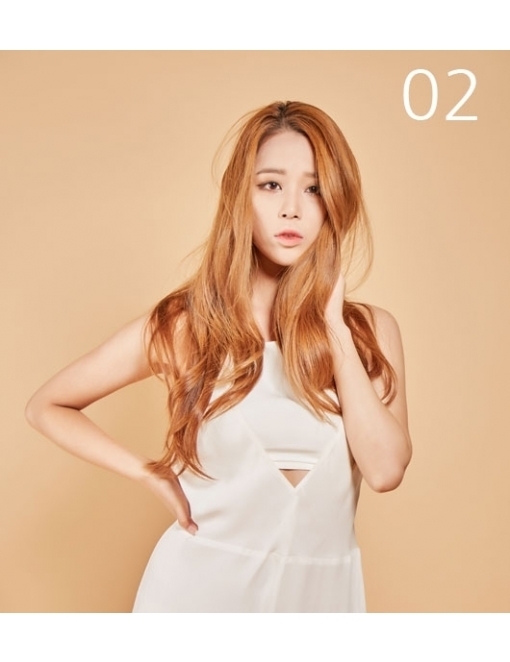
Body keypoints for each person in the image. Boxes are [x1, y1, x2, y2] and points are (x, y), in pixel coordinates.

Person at [26, 101, 412, 612]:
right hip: (197, 596)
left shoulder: (368, 332)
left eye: (314, 188)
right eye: (270, 185)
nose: (292, 208)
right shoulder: (188, 326)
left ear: (335, 201)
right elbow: (46, 406)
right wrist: (149, 472)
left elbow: (385, 471)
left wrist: (334, 327)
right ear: (239, 196)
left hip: (319, 600)